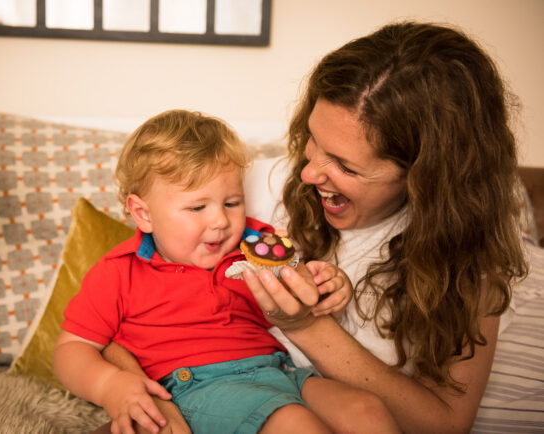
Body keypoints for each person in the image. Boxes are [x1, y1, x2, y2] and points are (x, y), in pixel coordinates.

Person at [239, 21, 529, 433]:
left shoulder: (467, 268)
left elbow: (444, 423)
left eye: (344, 165)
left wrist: (306, 326)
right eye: (312, 140)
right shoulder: (253, 192)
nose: (307, 174)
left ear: (424, 178)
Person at [53, 110, 400, 434]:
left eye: (231, 203)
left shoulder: (256, 248)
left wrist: (324, 285)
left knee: (368, 411)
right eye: (198, 207)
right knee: (295, 424)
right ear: (143, 214)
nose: (221, 221)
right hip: (197, 387)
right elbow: (72, 349)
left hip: (279, 372)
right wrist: (110, 386)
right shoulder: (119, 271)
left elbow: (294, 300)